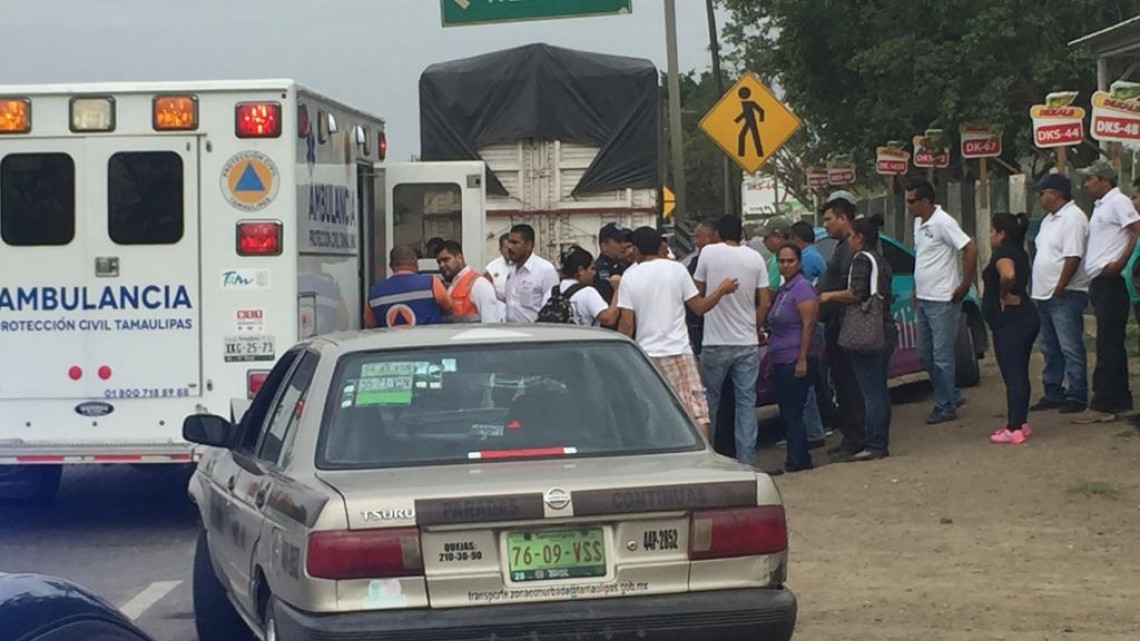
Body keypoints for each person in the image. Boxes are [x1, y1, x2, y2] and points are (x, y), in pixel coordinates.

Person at [618, 227, 738, 440]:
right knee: (696, 412)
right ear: (660, 246)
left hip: (647, 355)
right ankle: (701, 463)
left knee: (654, 412)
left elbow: (627, 325)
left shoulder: (629, 276)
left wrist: (621, 357)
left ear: (636, 249)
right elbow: (699, 307)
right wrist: (721, 290)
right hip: (679, 351)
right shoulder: (677, 270)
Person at [694, 216, 771, 465]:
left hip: (715, 342)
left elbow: (696, 292)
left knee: (711, 404)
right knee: (746, 403)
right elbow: (765, 301)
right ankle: (747, 460)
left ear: (716, 233)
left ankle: (712, 458)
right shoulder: (755, 258)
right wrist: (754, 326)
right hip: (746, 342)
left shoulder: (708, 253)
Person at [820, 216, 896, 462]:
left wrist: (829, 295)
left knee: (870, 391)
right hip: (884, 327)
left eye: (851, 235)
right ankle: (879, 440)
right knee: (879, 390)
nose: (848, 241)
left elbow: (857, 293)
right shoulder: (881, 260)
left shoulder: (861, 259)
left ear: (859, 237)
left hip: (868, 331)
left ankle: (874, 443)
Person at [907, 178, 977, 425]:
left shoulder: (944, 222)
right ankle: (951, 394)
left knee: (942, 355)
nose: (908, 206)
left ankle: (945, 405)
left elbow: (970, 248)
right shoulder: (918, 223)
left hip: (943, 299)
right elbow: (921, 257)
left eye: (912, 201)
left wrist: (964, 284)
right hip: (925, 298)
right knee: (925, 354)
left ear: (925, 201)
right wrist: (916, 287)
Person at [1074, 160, 1140, 423]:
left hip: (1111, 280)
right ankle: (1119, 397)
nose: (1087, 183)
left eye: (1090, 178)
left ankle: (1103, 401)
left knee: (1107, 342)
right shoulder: (1102, 206)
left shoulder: (1118, 202)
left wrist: (1121, 262)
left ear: (1104, 179)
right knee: (1110, 341)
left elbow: (1136, 230)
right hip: (1101, 281)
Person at [1030, 174, 1090, 415]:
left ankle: (1077, 394)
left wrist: (1061, 284)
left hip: (1065, 292)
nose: (1040, 197)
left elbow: (1073, 256)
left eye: (1042, 192)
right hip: (1044, 293)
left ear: (1057, 193)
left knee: (1070, 345)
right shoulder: (1048, 220)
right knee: (1049, 346)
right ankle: (1053, 390)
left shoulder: (1073, 218)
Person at [983, 213, 1039, 444]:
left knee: (1012, 372)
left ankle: (1014, 427)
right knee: (1020, 371)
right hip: (1025, 316)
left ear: (1001, 233)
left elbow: (1008, 274)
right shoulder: (1019, 251)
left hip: (1010, 321)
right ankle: (1021, 421)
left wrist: (1005, 293)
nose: (990, 236)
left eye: (992, 231)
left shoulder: (1003, 253)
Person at [817, 196, 865, 457]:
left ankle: (857, 438)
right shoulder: (840, 247)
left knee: (851, 385)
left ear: (843, 218)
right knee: (843, 384)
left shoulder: (852, 249)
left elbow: (852, 289)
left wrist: (827, 297)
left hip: (849, 324)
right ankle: (849, 436)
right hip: (836, 323)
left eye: (828, 219)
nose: (825, 225)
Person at [767, 244, 820, 472]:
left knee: (793, 412)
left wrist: (802, 359)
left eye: (790, 261)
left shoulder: (803, 288)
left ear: (798, 263)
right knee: (789, 411)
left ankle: (796, 461)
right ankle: (801, 457)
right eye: (781, 261)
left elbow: (808, 325)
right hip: (780, 357)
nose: (785, 265)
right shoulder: (785, 289)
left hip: (794, 357)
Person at [364, 245, 452, 328]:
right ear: (415, 262)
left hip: (392, 343)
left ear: (391, 265)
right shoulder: (432, 283)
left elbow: (370, 323)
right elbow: (449, 309)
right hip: (428, 342)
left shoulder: (375, 292)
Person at [544, 245, 621, 327]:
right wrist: (617, 289)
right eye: (592, 268)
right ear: (581, 270)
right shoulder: (588, 292)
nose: (594, 273)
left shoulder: (550, 293)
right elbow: (609, 319)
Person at [501, 224, 559, 324]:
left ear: (529, 245)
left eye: (515, 243)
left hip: (536, 334)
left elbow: (552, 310)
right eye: (509, 242)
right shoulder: (511, 271)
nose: (510, 247)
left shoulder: (545, 270)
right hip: (512, 333)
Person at [436, 241, 502, 324]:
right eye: (439, 262)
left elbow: (491, 322)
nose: (441, 265)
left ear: (459, 258)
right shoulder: (452, 285)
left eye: (446, 260)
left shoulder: (479, 284)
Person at [594, 222, 633, 305]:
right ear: (604, 246)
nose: (623, 245)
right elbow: (606, 301)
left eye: (624, 241)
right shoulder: (602, 269)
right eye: (618, 241)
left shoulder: (623, 265)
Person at [759, 217, 792, 290]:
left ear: (779, 237)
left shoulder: (778, 259)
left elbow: (771, 291)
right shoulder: (795, 254)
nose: (763, 241)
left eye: (766, 237)